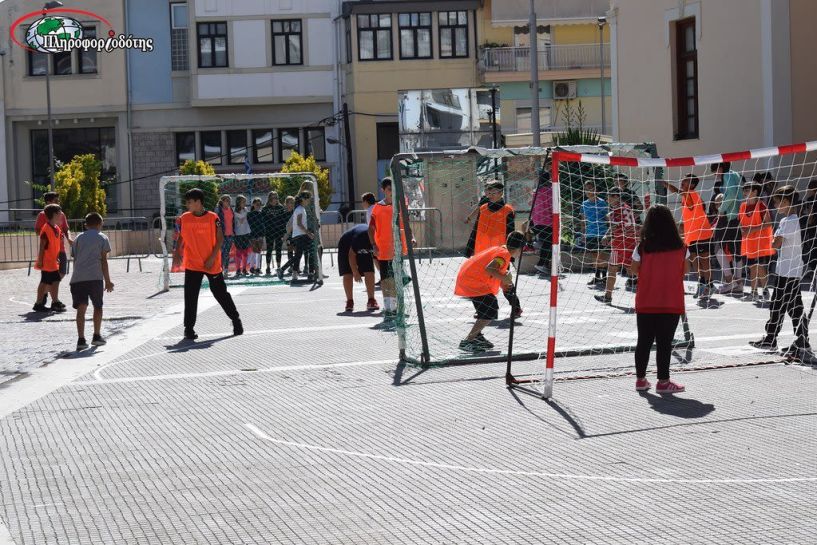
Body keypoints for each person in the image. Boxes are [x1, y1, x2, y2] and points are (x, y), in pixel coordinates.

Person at [631, 205, 689, 394]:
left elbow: (633, 269)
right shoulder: (681, 247)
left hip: (646, 300)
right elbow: (686, 270)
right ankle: (663, 382)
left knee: (644, 342)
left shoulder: (642, 247)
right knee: (665, 343)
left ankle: (640, 379)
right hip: (671, 301)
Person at [172, 188, 242, 340]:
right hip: (192, 263)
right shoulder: (185, 217)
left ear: (198, 202)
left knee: (220, 294)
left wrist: (211, 258)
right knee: (190, 296)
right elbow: (182, 237)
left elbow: (220, 239)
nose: (187, 205)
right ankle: (188, 328)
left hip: (211, 263)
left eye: (189, 202)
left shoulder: (213, 217)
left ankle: (236, 320)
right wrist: (177, 251)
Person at [750, 186, 810, 356]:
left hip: (788, 272)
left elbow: (775, 244)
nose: (776, 207)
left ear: (785, 201)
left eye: (777, 203)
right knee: (782, 305)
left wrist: (774, 235)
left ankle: (797, 340)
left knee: (790, 307)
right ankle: (780, 338)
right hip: (788, 270)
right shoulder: (794, 220)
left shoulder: (789, 221)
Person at [454, 231, 525, 353]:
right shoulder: (504, 255)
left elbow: (496, 271)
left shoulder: (502, 250)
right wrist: (505, 278)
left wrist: (505, 283)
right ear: (519, 249)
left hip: (472, 279)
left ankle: (477, 337)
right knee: (489, 311)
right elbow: (490, 268)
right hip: (474, 282)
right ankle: (468, 341)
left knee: (487, 310)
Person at [465, 180, 521, 318]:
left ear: (501, 193)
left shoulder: (508, 210)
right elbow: (476, 228)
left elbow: (510, 232)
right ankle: (482, 309)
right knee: (477, 281)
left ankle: (516, 307)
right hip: (481, 252)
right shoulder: (483, 208)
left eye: (493, 192)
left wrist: (511, 253)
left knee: (504, 282)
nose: (489, 194)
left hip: (500, 253)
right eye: (487, 192)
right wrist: (469, 248)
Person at [369, 177, 413, 323]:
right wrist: (374, 245)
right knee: (386, 280)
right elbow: (371, 228)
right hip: (382, 249)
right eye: (389, 190)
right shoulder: (378, 207)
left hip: (397, 249)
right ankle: (388, 307)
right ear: (383, 190)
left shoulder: (400, 205)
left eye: (394, 190)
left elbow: (406, 224)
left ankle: (394, 308)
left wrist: (411, 237)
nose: (391, 193)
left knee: (395, 280)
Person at [70, 212, 114, 350]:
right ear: (100, 224)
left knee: (81, 309)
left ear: (86, 224)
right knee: (98, 306)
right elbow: (104, 261)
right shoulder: (102, 238)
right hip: (95, 278)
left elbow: (75, 259)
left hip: (78, 279)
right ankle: (96, 335)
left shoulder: (78, 238)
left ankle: (81, 339)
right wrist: (108, 281)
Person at [667, 174, 715, 299]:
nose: (682, 181)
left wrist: (665, 184)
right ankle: (702, 282)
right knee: (694, 260)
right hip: (692, 235)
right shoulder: (686, 197)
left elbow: (677, 191)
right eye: (683, 179)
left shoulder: (690, 194)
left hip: (702, 233)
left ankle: (710, 285)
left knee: (704, 260)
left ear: (692, 185)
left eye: (686, 180)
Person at [594, 188, 638, 304]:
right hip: (630, 242)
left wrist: (607, 236)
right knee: (632, 270)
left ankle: (608, 296)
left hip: (619, 244)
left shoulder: (617, 210)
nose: (607, 199)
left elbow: (614, 226)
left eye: (609, 196)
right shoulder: (627, 207)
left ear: (616, 197)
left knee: (612, 269)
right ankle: (650, 294)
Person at [34, 192, 71, 309]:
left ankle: (55, 302)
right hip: (47, 261)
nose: (62, 216)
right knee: (45, 281)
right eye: (59, 214)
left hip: (54, 261)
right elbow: (42, 246)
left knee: (55, 280)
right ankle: (38, 303)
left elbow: (57, 242)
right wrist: (40, 260)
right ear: (53, 215)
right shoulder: (46, 228)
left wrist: (58, 257)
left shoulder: (56, 228)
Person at [739, 181, 774, 302]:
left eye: (747, 190)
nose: (745, 192)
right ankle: (753, 292)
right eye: (744, 190)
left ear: (755, 192)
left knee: (759, 267)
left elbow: (769, 223)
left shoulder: (761, 206)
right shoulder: (743, 206)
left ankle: (765, 291)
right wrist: (742, 230)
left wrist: (752, 229)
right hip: (749, 242)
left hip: (760, 242)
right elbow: (742, 223)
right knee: (752, 267)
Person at [712, 162, 744, 293]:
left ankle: (730, 281)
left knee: (718, 248)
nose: (715, 175)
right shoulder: (735, 174)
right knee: (736, 250)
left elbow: (730, 195)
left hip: (729, 217)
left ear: (719, 168)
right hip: (737, 217)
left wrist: (721, 209)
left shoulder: (727, 175)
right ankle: (738, 283)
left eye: (714, 172)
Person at [338, 224, 379, 312]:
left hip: (364, 247)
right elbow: (351, 255)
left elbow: (377, 259)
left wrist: (384, 274)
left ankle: (371, 300)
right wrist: (355, 272)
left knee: (369, 271)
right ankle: (349, 301)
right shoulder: (362, 237)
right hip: (346, 244)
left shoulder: (380, 238)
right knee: (348, 274)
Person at [278, 191, 315, 283]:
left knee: (298, 255)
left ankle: (288, 271)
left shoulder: (300, 208)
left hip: (299, 235)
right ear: (303, 199)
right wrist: (308, 233)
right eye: (308, 199)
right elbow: (299, 223)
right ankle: (310, 273)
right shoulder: (300, 209)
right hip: (300, 235)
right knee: (309, 251)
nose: (309, 201)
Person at [581, 181, 608, 286]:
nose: (588, 191)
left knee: (601, 256)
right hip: (590, 233)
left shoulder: (603, 203)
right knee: (594, 256)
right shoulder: (584, 204)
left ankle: (605, 278)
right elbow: (583, 220)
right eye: (586, 189)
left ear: (595, 189)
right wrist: (583, 234)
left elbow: (608, 218)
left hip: (601, 233)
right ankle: (597, 277)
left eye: (590, 188)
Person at [529, 168, 553, 276]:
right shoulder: (551, 191)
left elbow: (531, 205)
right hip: (548, 221)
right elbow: (552, 206)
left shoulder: (535, 192)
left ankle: (545, 264)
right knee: (548, 243)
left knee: (546, 242)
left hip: (537, 221)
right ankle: (541, 263)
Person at [262, 192, 287, 275]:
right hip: (269, 232)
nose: (275, 199)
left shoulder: (280, 208)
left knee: (278, 249)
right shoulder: (265, 209)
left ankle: (279, 267)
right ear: (269, 199)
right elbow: (263, 221)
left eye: (276, 198)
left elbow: (283, 221)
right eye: (273, 198)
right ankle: (268, 267)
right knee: (269, 250)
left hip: (279, 232)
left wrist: (284, 232)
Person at [799, 179, 817, 279]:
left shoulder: (811, 199)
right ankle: (812, 270)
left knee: (813, 250)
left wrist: (808, 225)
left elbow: (810, 215)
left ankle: (813, 270)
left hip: (813, 229)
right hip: (812, 228)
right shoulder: (810, 199)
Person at [215, 195, 235, 277]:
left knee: (227, 253)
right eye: (227, 200)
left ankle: (226, 270)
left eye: (229, 200)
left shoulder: (231, 209)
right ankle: (219, 270)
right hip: (222, 235)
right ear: (222, 201)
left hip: (230, 234)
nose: (228, 202)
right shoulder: (218, 210)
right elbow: (215, 221)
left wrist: (234, 231)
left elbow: (232, 221)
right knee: (222, 253)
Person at [247, 197, 265, 275]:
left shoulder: (261, 213)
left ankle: (258, 268)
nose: (258, 205)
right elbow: (248, 224)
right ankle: (251, 267)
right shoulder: (250, 214)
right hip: (253, 234)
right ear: (253, 204)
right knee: (254, 251)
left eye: (259, 204)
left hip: (260, 234)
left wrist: (263, 233)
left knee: (259, 251)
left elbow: (263, 224)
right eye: (257, 204)